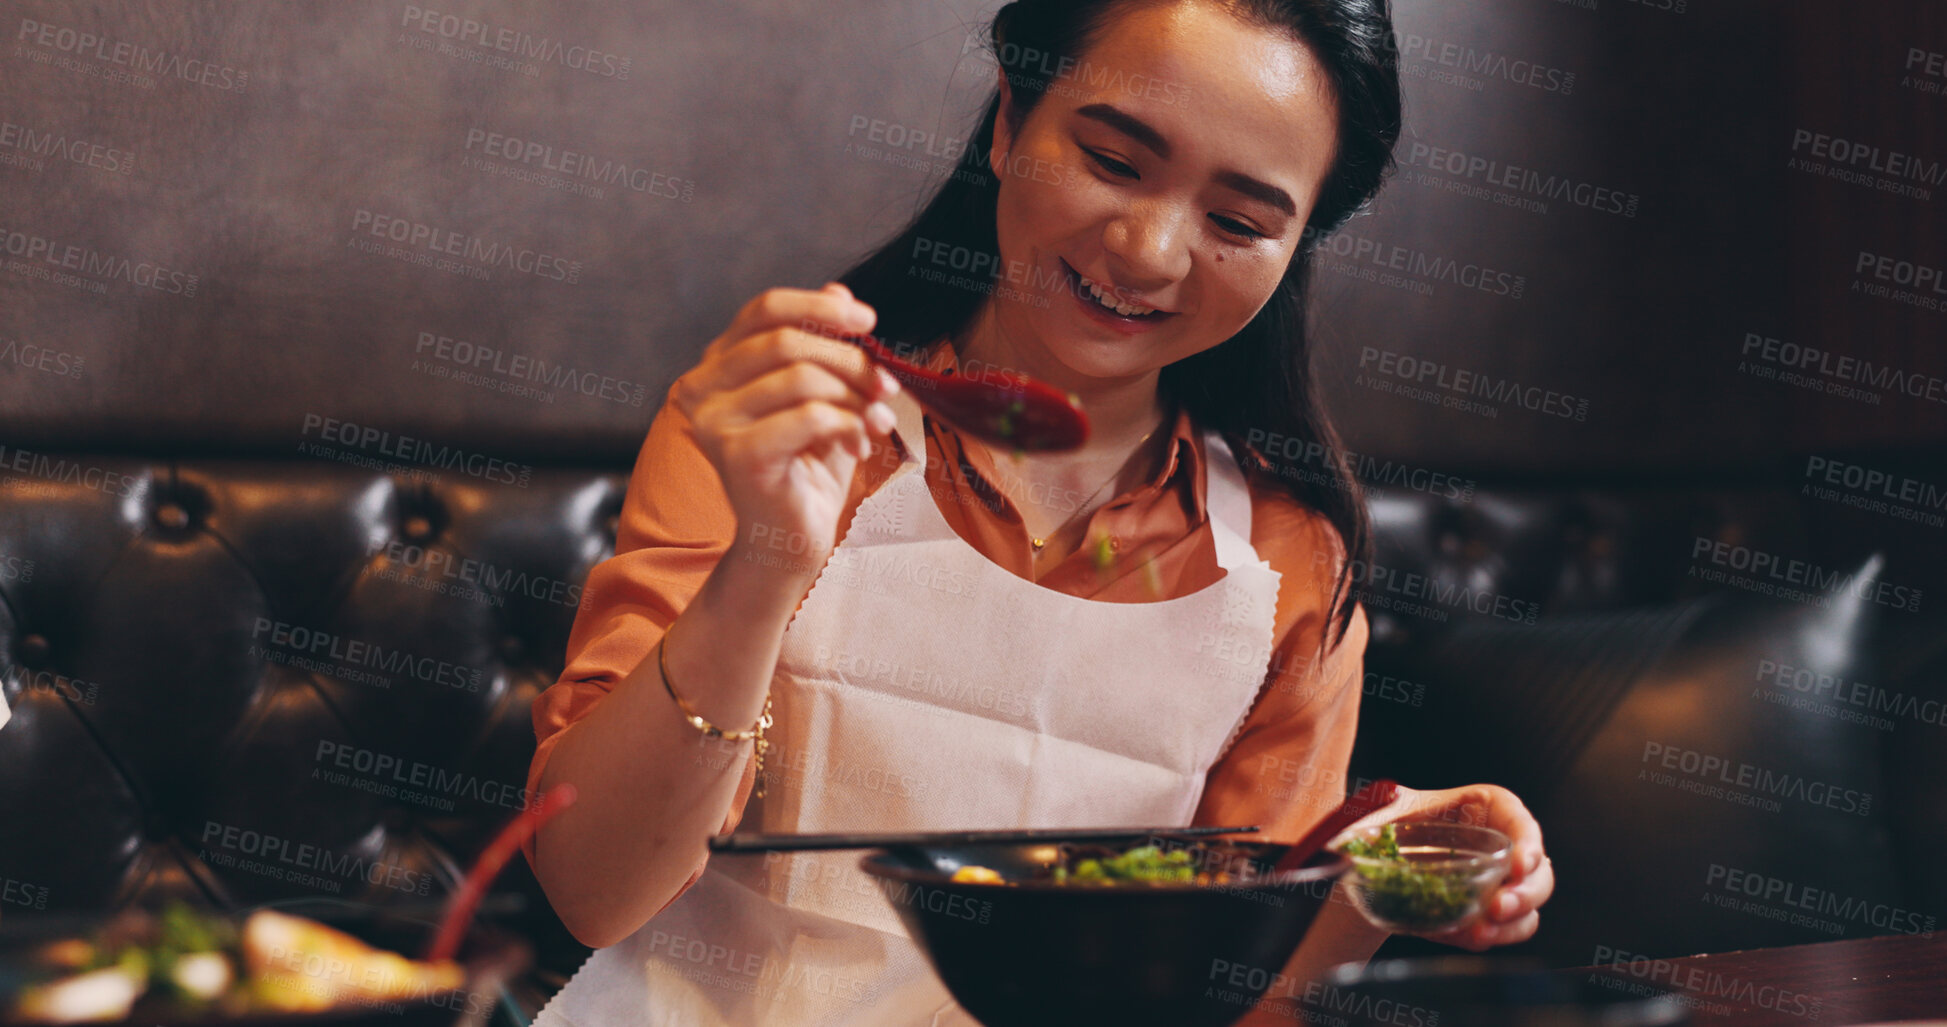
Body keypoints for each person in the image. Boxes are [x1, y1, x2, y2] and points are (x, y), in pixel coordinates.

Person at [525, 1, 1554, 1023]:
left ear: (1297, 246)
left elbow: (1237, 1003)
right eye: (1113, 159)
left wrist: (1372, 885)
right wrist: (766, 560)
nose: (1149, 251)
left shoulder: (1292, 559)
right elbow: (593, 889)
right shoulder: (787, 429)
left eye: (1237, 223)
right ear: (1012, 119)